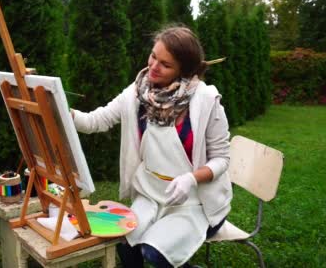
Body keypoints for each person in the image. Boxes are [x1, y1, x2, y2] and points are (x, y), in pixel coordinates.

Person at [71, 26, 232, 267]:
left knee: (155, 254)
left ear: (184, 71)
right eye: (153, 56)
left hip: (194, 202)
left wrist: (191, 179)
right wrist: (62, 111)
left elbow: (222, 159)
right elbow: (97, 121)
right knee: (125, 245)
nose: (154, 66)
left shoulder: (206, 101)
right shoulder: (137, 93)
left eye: (165, 64)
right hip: (150, 194)